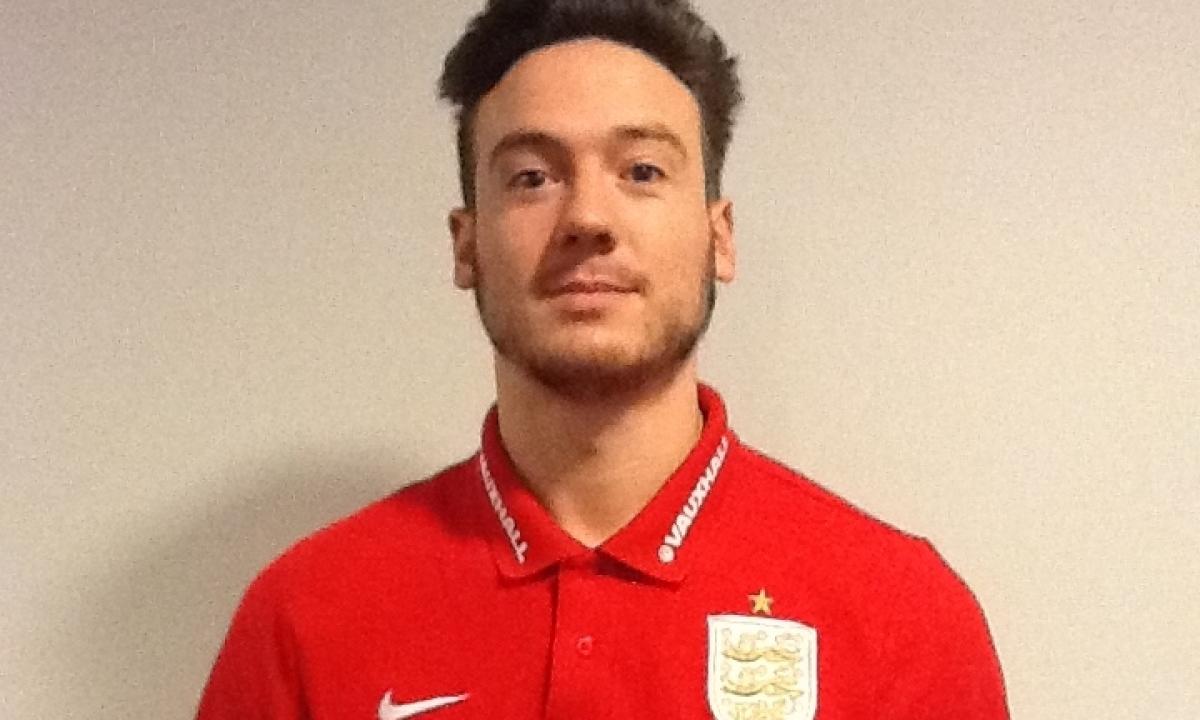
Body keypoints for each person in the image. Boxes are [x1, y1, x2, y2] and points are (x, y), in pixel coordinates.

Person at [196, 1, 1010, 718]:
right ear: (467, 243)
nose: (588, 216)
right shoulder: (306, 617)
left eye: (642, 170)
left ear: (718, 235)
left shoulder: (903, 616)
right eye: (533, 176)